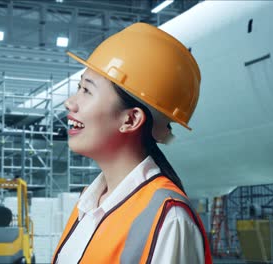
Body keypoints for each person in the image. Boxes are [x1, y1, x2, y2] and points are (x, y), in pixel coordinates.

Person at [52, 22, 212, 264]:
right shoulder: (89, 203)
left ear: (131, 119)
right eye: (79, 87)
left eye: (87, 91)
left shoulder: (169, 219)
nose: (70, 103)